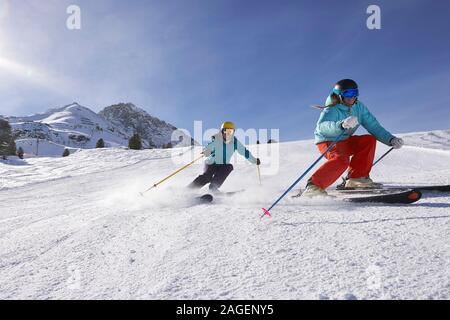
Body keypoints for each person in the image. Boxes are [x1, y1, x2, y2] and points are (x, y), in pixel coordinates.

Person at [302, 79, 404, 197]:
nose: (351, 97)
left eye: (354, 93)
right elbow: (321, 127)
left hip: (345, 140)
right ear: (339, 95)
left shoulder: (359, 107)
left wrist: (390, 139)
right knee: (341, 160)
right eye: (348, 94)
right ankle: (313, 187)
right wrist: (341, 125)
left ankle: (357, 179)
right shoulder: (332, 108)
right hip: (328, 141)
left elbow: (373, 126)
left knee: (368, 140)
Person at [189, 121, 260, 192]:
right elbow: (211, 146)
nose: (228, 134)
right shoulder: (217, 139)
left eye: (230, 131)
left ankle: (213, 187)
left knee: (228, 167)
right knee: (207, 177)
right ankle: (190, 189)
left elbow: (244, 152)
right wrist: (207, 150)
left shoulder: (235, 142)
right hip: (211, 163)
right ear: (222, 132)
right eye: (226, 131)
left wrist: (254, 160)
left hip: (222, 165)